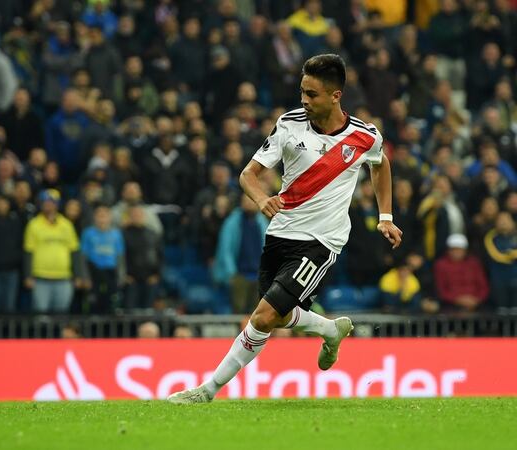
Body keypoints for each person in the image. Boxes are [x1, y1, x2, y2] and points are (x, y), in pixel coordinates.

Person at [168, 54, 402, 403]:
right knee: (274, 318)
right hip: (280, 233)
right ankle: (329, 330)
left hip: (321, 241)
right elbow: (248, 175)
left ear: (336, 95)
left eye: (312, 94)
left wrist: (385, 216)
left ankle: (207, 391)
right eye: (302, 92)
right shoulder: (289, 125)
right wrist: (263, 199)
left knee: (262, 317)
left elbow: (380, 164)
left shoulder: (364, 137)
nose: (304, 100)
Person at [23, 189, 86, 313]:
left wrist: (78, 276)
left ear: (57, 204)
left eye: (52, 202)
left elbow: (75, 252)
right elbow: (28, 252)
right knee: (41, 317)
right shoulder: (34, 224)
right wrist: (28, 276)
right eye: (45, 202)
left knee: (61, 316)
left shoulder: (66, 224)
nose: (48, 204)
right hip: (41, 278)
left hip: (64, 278)